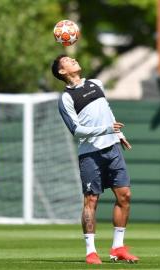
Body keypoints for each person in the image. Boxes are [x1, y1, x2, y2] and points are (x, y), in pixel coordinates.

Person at [51, 55, 139, 264]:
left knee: (125, 196)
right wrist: (106, 129)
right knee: (91, 200)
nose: (73, 60)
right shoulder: (66, 98)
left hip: (113, 148)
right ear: (62, 72)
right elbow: (76, 130)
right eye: (68, 61)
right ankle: (91, 252)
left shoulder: (96, 83)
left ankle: (118, 248)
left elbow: (107, 111)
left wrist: (118, 135)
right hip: (90, 154)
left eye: (72, 58)